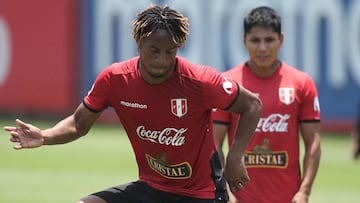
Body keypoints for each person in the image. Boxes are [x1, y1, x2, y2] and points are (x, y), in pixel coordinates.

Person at [3, 4, 262, 203]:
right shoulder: (115, 80)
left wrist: (236, 157)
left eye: (170, 51)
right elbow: (78, 124)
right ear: (139, 44)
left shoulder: (200, 81)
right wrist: (45, 136)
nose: (162, 60)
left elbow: (252, 105)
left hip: (201, 194)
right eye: (154, 50)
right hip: (151, 188)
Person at [213, 6, 321, 203]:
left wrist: (304, 191)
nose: (262, 47)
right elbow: (214, 145)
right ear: (244, 40)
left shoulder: (301, 83)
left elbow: (313, 143)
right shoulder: (228, 85)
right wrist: (226, 190)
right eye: (255, 40)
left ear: (281, 39)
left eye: (269, 40)